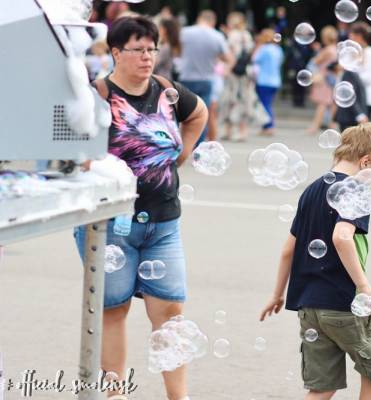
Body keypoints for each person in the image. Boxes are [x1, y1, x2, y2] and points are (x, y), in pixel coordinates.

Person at [74, 16, 208, 400]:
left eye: (152, 49)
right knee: (113, 312)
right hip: (108, 225)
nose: (148, 57)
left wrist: (181, 154)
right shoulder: (96, 95)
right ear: (116, 53)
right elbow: (72, 148)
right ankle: (114, 393)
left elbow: (199, 113)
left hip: (164, 222)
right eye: (138, 49)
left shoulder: (167, 91)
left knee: (169, 316)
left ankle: (177, 398)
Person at [259, 122, 371, 400]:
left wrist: (276, 294)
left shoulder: (311, 190)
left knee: (321, 388)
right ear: (366, 162)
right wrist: (364, 286)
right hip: (345, 303)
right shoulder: (357, 189)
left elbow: (288, 249)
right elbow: (342, 237)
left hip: (310, 307)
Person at [179, 10, 232, 144]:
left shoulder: (184, 32)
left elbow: (175, 51)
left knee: (183, 115)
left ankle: (181, 145)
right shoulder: (217, 36)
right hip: (206, 80)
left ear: (199, 19)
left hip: (186, 79)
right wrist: (225, 70)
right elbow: (229, 59)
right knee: (202, 115)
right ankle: (198, 147)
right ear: (213, 21)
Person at [220, 12, 256, 142]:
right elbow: (251, 53)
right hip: (244, 73)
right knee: (243, 101)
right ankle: (243, 131)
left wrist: (227, 68)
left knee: (229, 101)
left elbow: (228, 54)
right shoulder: (247, 35)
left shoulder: (232, 35)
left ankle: (228, 131)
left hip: (232, 73)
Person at [252, 28, 285, 136]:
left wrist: (257, 46)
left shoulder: (264, 49)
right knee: (268, 103)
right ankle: (267, 126)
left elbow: (254, 59)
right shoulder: (278, 49)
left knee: (264, 104)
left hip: (264, 80)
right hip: (275, 81)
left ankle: (269, 126)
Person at [307, 26, 338, 134]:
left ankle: (315, 126)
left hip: (324, 79)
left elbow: (315, 62)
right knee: (333, 103)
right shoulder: (336, 49)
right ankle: (332, 125)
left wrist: (317, 51)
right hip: (333, 78)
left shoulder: (328, 50)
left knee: (322, 104)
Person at [350, 22, 371, 121]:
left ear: (359, 36)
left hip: (365, 98)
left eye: (351, 34)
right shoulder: (351, 52)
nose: (349, 37)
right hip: (351, 98)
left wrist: (352, 78)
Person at [332, 63, 368, 132]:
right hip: (349, 117)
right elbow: (349, 96)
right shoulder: (349, 73)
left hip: (349, 117)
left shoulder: (352, 72)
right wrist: (360, 114)